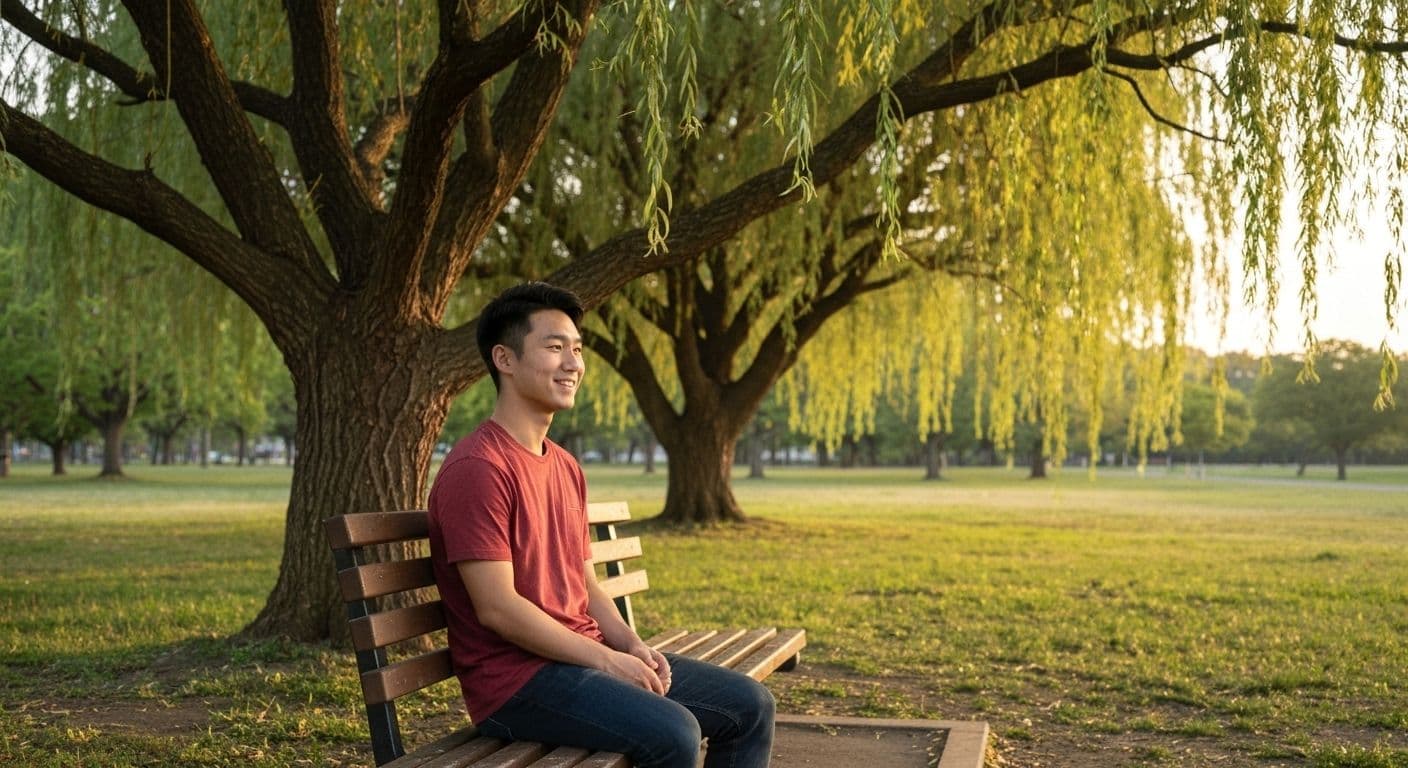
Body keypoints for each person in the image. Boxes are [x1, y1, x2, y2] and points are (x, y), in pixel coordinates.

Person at [427, 282, 776, 768]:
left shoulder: (564, 466)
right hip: (517, 684)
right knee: (674, 733)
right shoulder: (479, 468)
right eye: (554, 347)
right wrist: (608, 660)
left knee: (750, 706)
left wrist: (631, 644)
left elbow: (584, 583)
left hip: (579, 659)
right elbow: (498, 608)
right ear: (504, 359)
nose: (573, 363)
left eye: (577, 349)